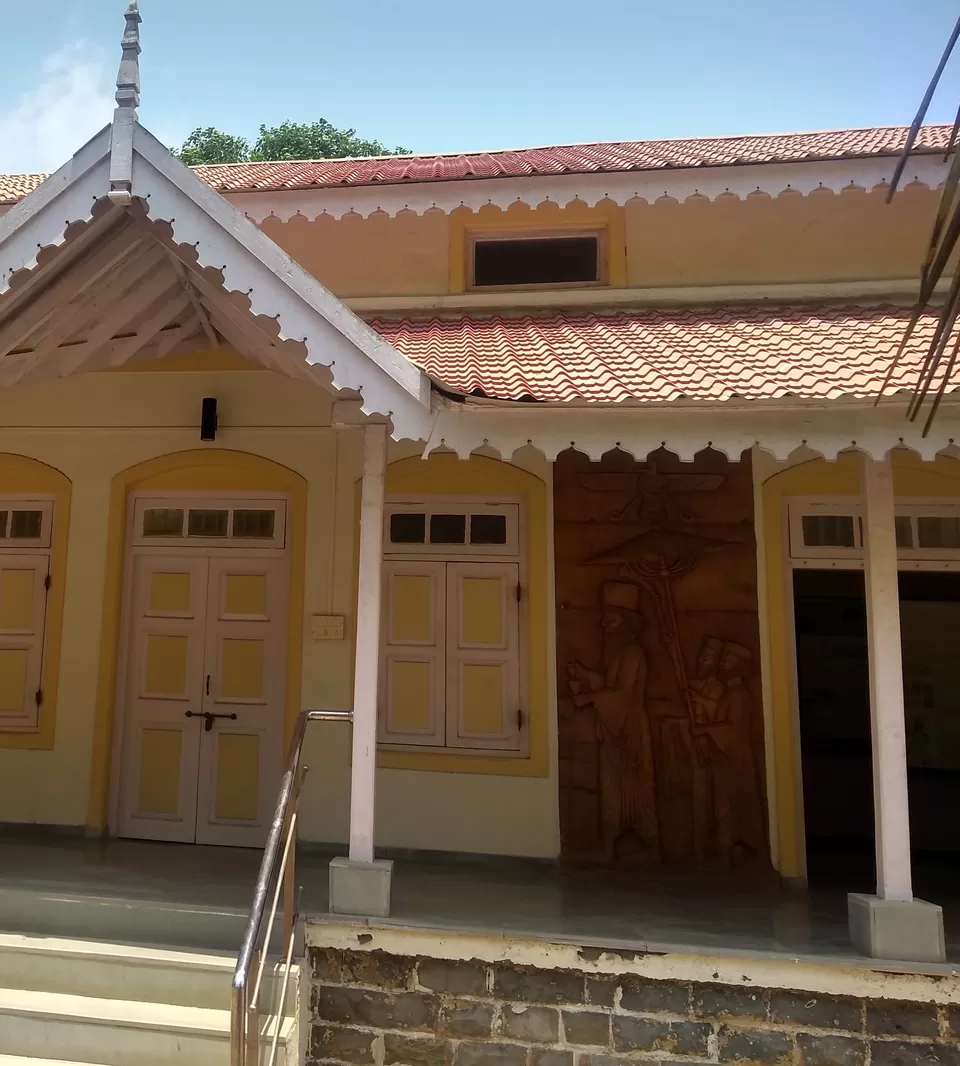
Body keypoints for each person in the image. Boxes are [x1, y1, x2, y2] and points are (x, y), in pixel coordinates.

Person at [568, 582, 659, 861]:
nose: (604, 622)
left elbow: (622, 694)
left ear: (627, 622)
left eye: (612, 617)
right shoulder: (620, 652)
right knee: (612, 787)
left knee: (633, 786)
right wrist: (586, 676)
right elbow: (611, 685)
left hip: (628, 728)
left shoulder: (633, 653)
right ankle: (610, 843)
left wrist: (588, 698)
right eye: (604, 616)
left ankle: (648, 844)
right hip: (615, 728)